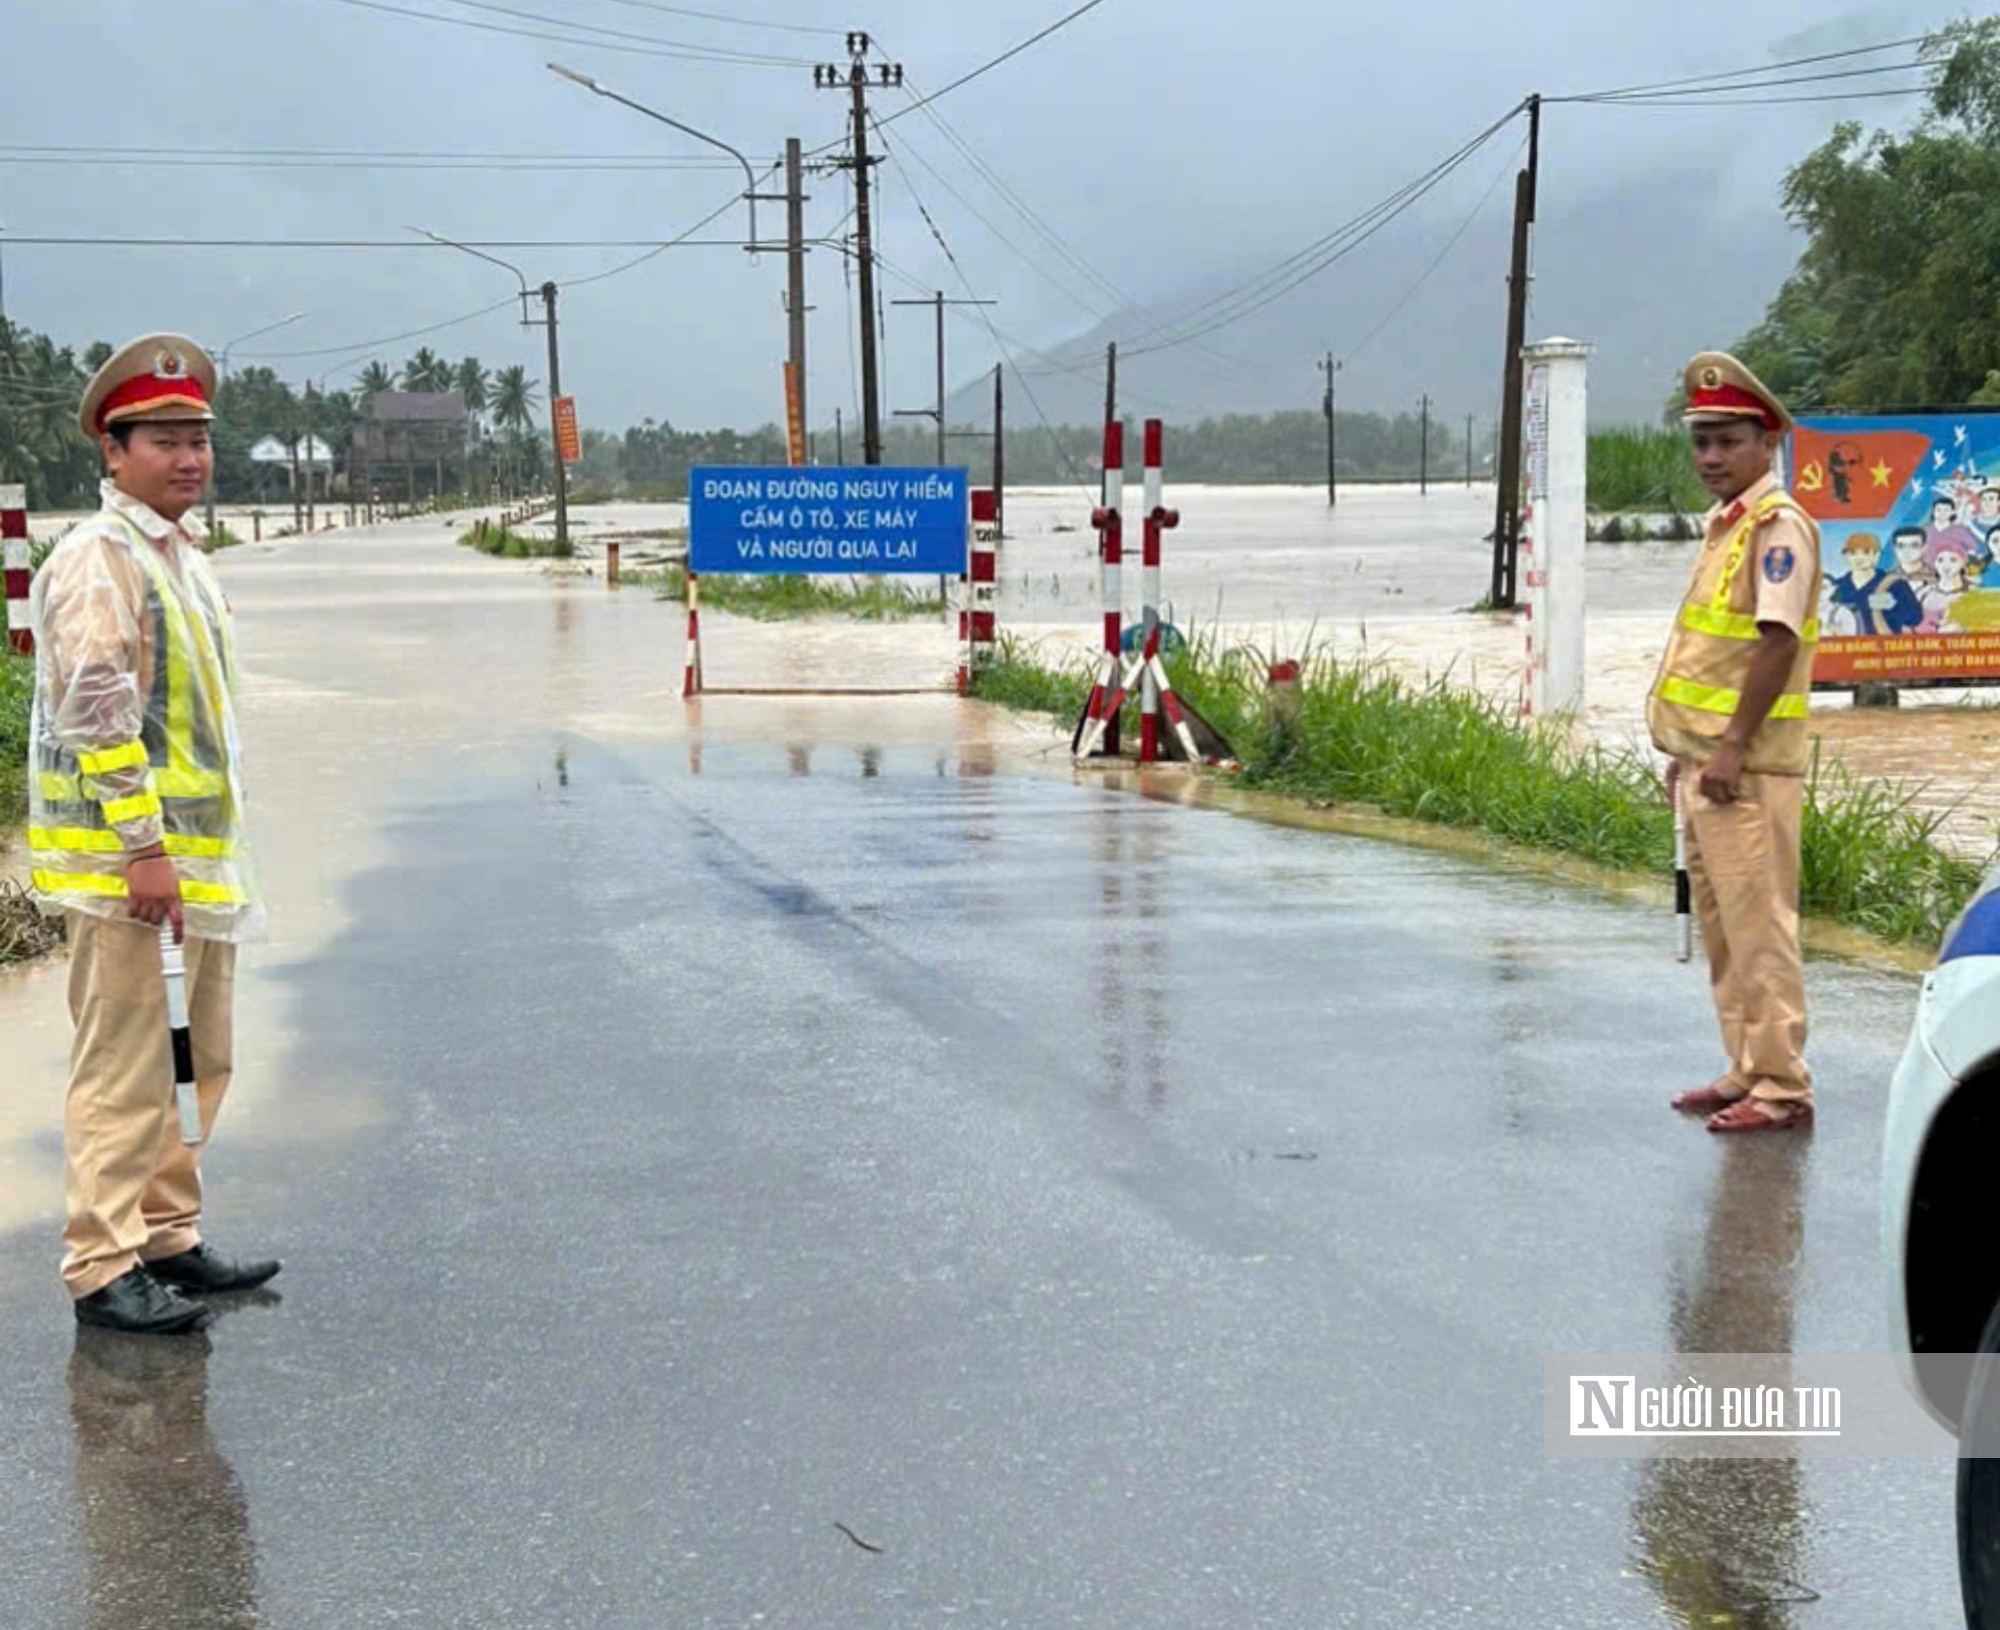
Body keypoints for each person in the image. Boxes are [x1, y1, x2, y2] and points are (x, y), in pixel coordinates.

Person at [27, 333, 279, 1335]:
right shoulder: (99, 559)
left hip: (197, 867)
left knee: (195, 1056)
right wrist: (142, 847)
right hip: (135, 869)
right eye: (165, 440)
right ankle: (100, 1263)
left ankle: (167, 1233)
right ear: (113, 450)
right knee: (127, 1068)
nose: (188, 459)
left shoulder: (181, 558)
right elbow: (97, 706)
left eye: (198, 441)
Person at [1650, 352, 1821, 1133]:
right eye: (1701, 443)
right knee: (1722, 927)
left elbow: (1775, 644)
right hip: (1707, 765)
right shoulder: (1729, 528)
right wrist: (1685, 749)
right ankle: (1746, 1066)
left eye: (1726, 442)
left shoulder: (1779, 528)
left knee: (1760, 928)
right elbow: (1706, 655)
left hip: (1747, 770)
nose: (1710, 458)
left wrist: (1729, 748)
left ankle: (1782, 1086)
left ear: (1766, 442)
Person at [1826, 531, 1922, 635]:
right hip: (1847, 648)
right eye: (1853, 553)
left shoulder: (1895, 584)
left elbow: (1915, 618)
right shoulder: (1836, 587)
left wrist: (1893, 606)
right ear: (1845, 556)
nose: (1859, 558)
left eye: (1866, 552)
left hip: (1884, 647)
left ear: (1876, 554)